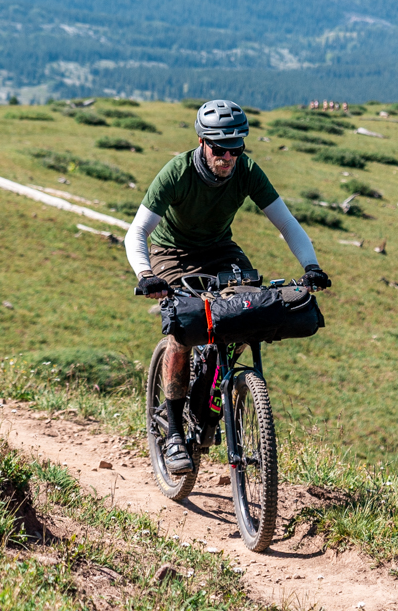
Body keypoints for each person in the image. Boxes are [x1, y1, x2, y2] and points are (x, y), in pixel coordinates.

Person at [125, 99, 332, 474]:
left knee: (248, 314)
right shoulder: (177, 172)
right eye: (219, 149)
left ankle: (214, 389)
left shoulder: (246, 170)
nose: (228, 158)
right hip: (173, 253)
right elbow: (137, 231)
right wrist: (145, 274)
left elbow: (287, 223)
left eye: (235, 149)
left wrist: (311, 267)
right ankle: (174, 434)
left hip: (221, 250)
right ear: (202, 142)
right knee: (182, 332)